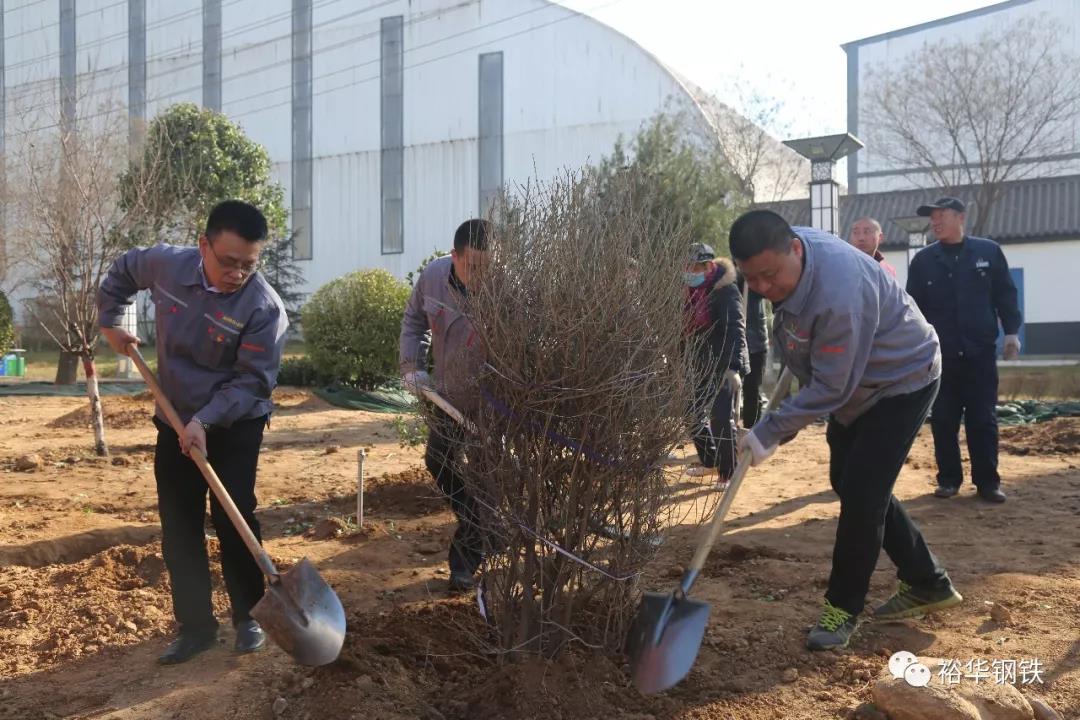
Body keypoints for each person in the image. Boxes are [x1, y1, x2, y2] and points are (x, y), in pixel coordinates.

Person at [730, 210, 962, 651]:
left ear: (794, 248)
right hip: (855, 380)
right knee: (850, 481)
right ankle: (927, 581)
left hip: (902, 378)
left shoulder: (840, 292)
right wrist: (785, 421)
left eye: (769, 276)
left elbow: (833, 386)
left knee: (862, 495)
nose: (762, 288)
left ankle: (842, 608)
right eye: (751, 279)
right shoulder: (789, 259)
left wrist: (772, 429)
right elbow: (819, 366)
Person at [97, 200, 288, 665]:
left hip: (236, 421)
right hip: (175, 415)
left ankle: (249, 616)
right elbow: (122, 272)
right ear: (204, 244)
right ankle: (196, 627)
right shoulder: (166, 264)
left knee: (234, 513)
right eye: (228, 261)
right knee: (179, 522)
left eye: (249, 264)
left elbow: (252, 381)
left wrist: (206, 421)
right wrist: (113, 322)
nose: (237, 273)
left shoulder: (264, 307)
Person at [906, 197, 1021, 504]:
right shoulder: (924, 261)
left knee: (983, 419)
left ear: (960, 217)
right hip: (940, 356)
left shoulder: (987, 252)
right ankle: (948, 479)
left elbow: (1006, 294)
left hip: (980, 352)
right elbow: (913, 309)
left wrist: (1011, 331)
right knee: (943, 418)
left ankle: (987, 483)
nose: (935, 221)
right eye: (932, 217)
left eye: (941, 215)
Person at [399, 218, 491, 593]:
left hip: (494, 404)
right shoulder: (434, 276)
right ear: (454, 256)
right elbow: (413, 322)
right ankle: (484, 529)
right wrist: (412, 367)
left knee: (488, 480)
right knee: (439, 462)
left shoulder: (510, 289)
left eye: (489, 267)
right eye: (473, 266)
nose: (481, 276)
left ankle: (465, 562)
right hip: (448, 395)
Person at [682, 242, 749, 489]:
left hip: (724, 363)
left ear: (708, 266)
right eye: (686, 266)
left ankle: (728, 472)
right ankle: (709, 459)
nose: (690, 271)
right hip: (698, 362)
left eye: (695, 266)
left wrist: (733, 367)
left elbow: (735, 330)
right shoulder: (685, 292)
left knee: (721, 416)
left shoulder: (726, 291)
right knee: (691, 413)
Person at [741, 286, 768, 428]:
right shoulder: (727, 283)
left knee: (752, 388)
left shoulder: (754, 282)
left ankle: (751, 427)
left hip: (756, 343)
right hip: (735, 344)